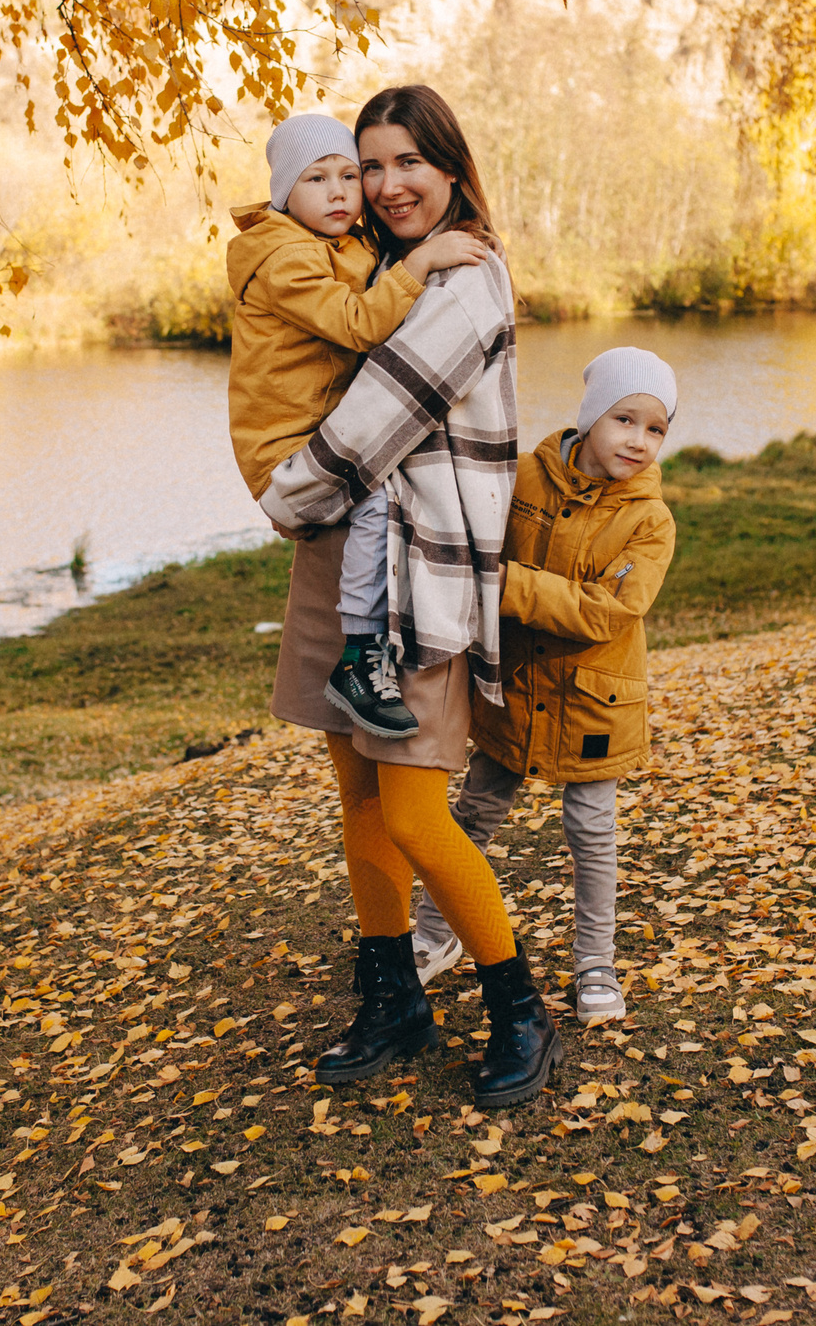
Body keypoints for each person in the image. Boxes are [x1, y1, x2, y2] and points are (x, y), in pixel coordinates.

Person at [253, 85, 558, 1108]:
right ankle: (392, 1000)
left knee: (419, 812)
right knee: (359, 803)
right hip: (344, 572)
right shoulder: (369, 266)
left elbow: (366, 426)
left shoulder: (464, 279)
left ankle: (519, 1005)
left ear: (452, 171)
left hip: (418, 583)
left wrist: (281, 498)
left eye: (404, 165)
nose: (384, 187)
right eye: (366, 166)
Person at [411, 348, 679, 1026]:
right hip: (516, 689)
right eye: (625, 419)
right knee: (474, 812)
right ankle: (436, 932)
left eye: (655, 429)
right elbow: (481, 536)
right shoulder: (526, 474)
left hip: (595, 702)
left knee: (591, 829)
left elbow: (608, 611)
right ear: (590, 416)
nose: (638, 441)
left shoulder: (650, 521)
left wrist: (512, 586)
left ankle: (595, 961)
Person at [226, 113, 488, 737]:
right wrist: (421, 261)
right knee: (374, 504)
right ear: (285, 194)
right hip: (287, 446)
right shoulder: (284, 258)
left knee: (376, 500)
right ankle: (361, 654)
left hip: (319, 429)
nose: (341, 191)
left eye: (350, 174)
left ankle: (363, 652)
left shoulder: (341, 244)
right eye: (317, 179)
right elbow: (357, 322)